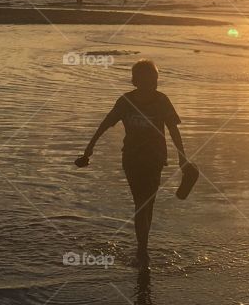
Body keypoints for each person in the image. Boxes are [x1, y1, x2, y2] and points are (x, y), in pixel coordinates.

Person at [77, 60, 189, 265]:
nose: (151, 83)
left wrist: (182, 157)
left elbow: (173, 129)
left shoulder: (162, 100)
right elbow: (106, 123)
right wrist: (89, 148)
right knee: (142, 202)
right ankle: (142, 250)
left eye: (154, 79)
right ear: (136, 80)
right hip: (132, 159)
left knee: (148, 202)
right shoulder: (126, 101)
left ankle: (142, 248)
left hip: (155, 158)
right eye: (146, 79)